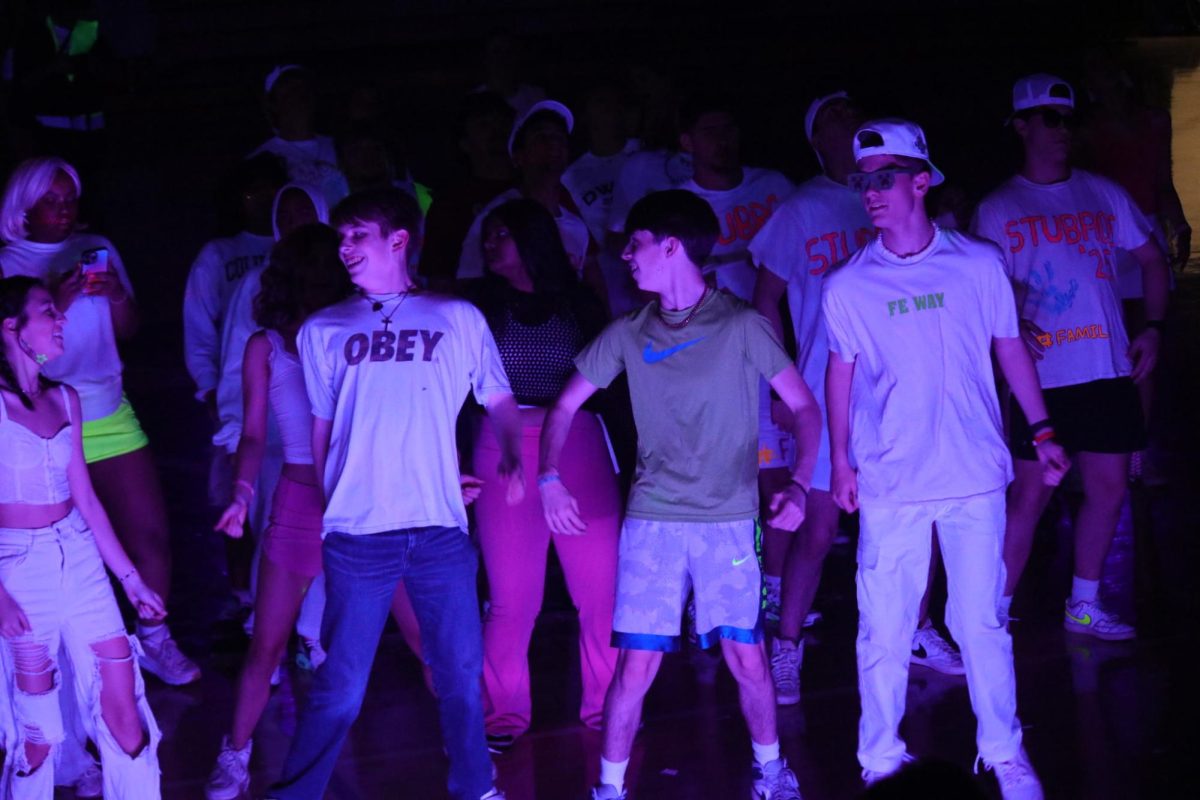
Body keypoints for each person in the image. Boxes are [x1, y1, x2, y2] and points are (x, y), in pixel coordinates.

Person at [540, 189, 820, 800]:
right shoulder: (628, 331)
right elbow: (563, 405)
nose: (626, 255)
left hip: (729, 520)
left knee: (748, 658)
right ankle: (609, 790)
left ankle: (772, 775)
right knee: (636, 666)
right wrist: (548, 476)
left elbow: (804, 407)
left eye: (635, 243)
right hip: (654, 521)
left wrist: (799, 485)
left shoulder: (743, 323)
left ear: (671, 246)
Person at [822, 118, 1070, 798]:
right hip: (890, 478)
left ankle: (1002, 751)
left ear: (921, 180)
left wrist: (1043, 430)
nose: (870, 191)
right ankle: (879, 759)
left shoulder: (977, 264)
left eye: (883, 178)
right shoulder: (848, 286)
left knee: (979, 619)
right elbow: (839, 373)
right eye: (862, 181)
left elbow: (1009, 346)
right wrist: (840, 462)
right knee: (886, 626)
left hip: (972, 474)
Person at [266, 187, 521, 800]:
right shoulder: (323, 329)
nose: (345, 246)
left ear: (398, 240)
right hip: (359, 534)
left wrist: (512, 452)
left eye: (358, 235)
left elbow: (499, 396)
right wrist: (339, 501)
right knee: (341, 686)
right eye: (342, 236)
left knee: (460, 674)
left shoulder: (456, 317)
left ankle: (476, 788)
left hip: (438, 528)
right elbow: (324, 429)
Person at [203, 224, 431, 799]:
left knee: (419, 630)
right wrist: (242, 493)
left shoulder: (362, 329)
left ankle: (464, 739)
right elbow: (254, 436)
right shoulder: (267, 345)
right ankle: (236, 752)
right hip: (302, 502)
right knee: (267, 644)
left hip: (369, 500)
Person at [750, 93, 963, 706]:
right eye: (832, 118)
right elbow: (766, 296)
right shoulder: (800, 208)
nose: (846, 124)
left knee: (912, 523)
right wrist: (781, 381)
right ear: (814, 138)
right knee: (818, 531)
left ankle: (919, 631)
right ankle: (784, 648)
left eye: (853, 113)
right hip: (824, 388)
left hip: (896, 393)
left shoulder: (898, 200)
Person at [971, 75, 1170, 638]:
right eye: (1051, 118)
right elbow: (984, 290)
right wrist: (1009, 322)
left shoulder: (1103, 192)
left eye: (1068, 118)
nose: (1064, 130)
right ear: (1022, 126)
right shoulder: (998, 207)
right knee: (1031, 494)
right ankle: (993, 613)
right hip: (1043, 380)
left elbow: (1153, 261)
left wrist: (1153, 328)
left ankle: (1083, 603)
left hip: (1107, 368)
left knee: (1109, 489)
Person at [0, 156, 200, 685]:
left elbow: (129, 328)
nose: (65, 211)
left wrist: (114, 295)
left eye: (71, 200)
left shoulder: (100, 249)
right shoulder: (9, 261)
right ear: (24, 207)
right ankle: (56, 663)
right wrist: (56, 298)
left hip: (107, 407)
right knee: (62, 541)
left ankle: (155, 638)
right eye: (53, 201)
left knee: (151, 534)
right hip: (42, 418)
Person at [0, 275, 164, 798]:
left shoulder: (66, 399)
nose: (62, 318)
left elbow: (88, 501)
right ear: (11, 327)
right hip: (20, 571)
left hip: (82, 561)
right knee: (39, 735)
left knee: (125, 714)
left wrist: (132, 580)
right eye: (48, 310)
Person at [468, 199, 617, 754]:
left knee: (600, 588)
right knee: (512, 594)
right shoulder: (478, 304)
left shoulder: (577, 303)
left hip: (576, 441)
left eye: (500, 234)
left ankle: (608, 706)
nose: (489, 244)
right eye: (487, 234)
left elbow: (611, 385)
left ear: (530, 240)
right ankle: (503, 712)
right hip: (501, 443)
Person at [458, 100, 608, 308]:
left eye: (559, 137)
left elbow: (594, 287)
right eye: (541, 137)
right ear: (519, 157)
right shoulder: (496, 216)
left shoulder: (576, 225)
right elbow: (468, 280)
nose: (554, 144)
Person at [419, 91, 515, 290]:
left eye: (503, 124)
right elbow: (439, 275)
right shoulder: (451, 201)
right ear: (465, 143)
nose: (497, 132)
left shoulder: (534, 188)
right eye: (484, 125)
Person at [562, 83, 642, 314]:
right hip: (609, 274)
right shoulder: (572, 174)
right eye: (600, 102)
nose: (608, 109)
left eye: (613, 102)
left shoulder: (644, 154)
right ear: (586, 114)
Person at [248, 66, 345, 208]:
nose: (298, 95)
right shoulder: (259, 160)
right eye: (289, 89)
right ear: (272, 103)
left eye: (302, 88)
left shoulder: (341, 147)